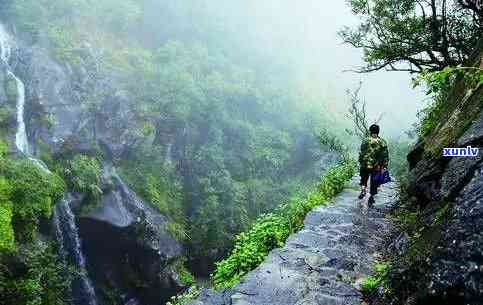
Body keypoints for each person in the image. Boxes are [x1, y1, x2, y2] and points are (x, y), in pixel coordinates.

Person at [358, 124, 389, 206]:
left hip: (365, 164)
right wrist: (385, 166)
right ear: (378, 132)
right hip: (376, 166)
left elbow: (362, 152)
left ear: (370, 131)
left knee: (363, 179)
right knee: (374, 182)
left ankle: (363, 190)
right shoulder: (382, 142)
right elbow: (385, 155)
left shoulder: (365, 141)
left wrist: (361, 161)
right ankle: (371, 197)